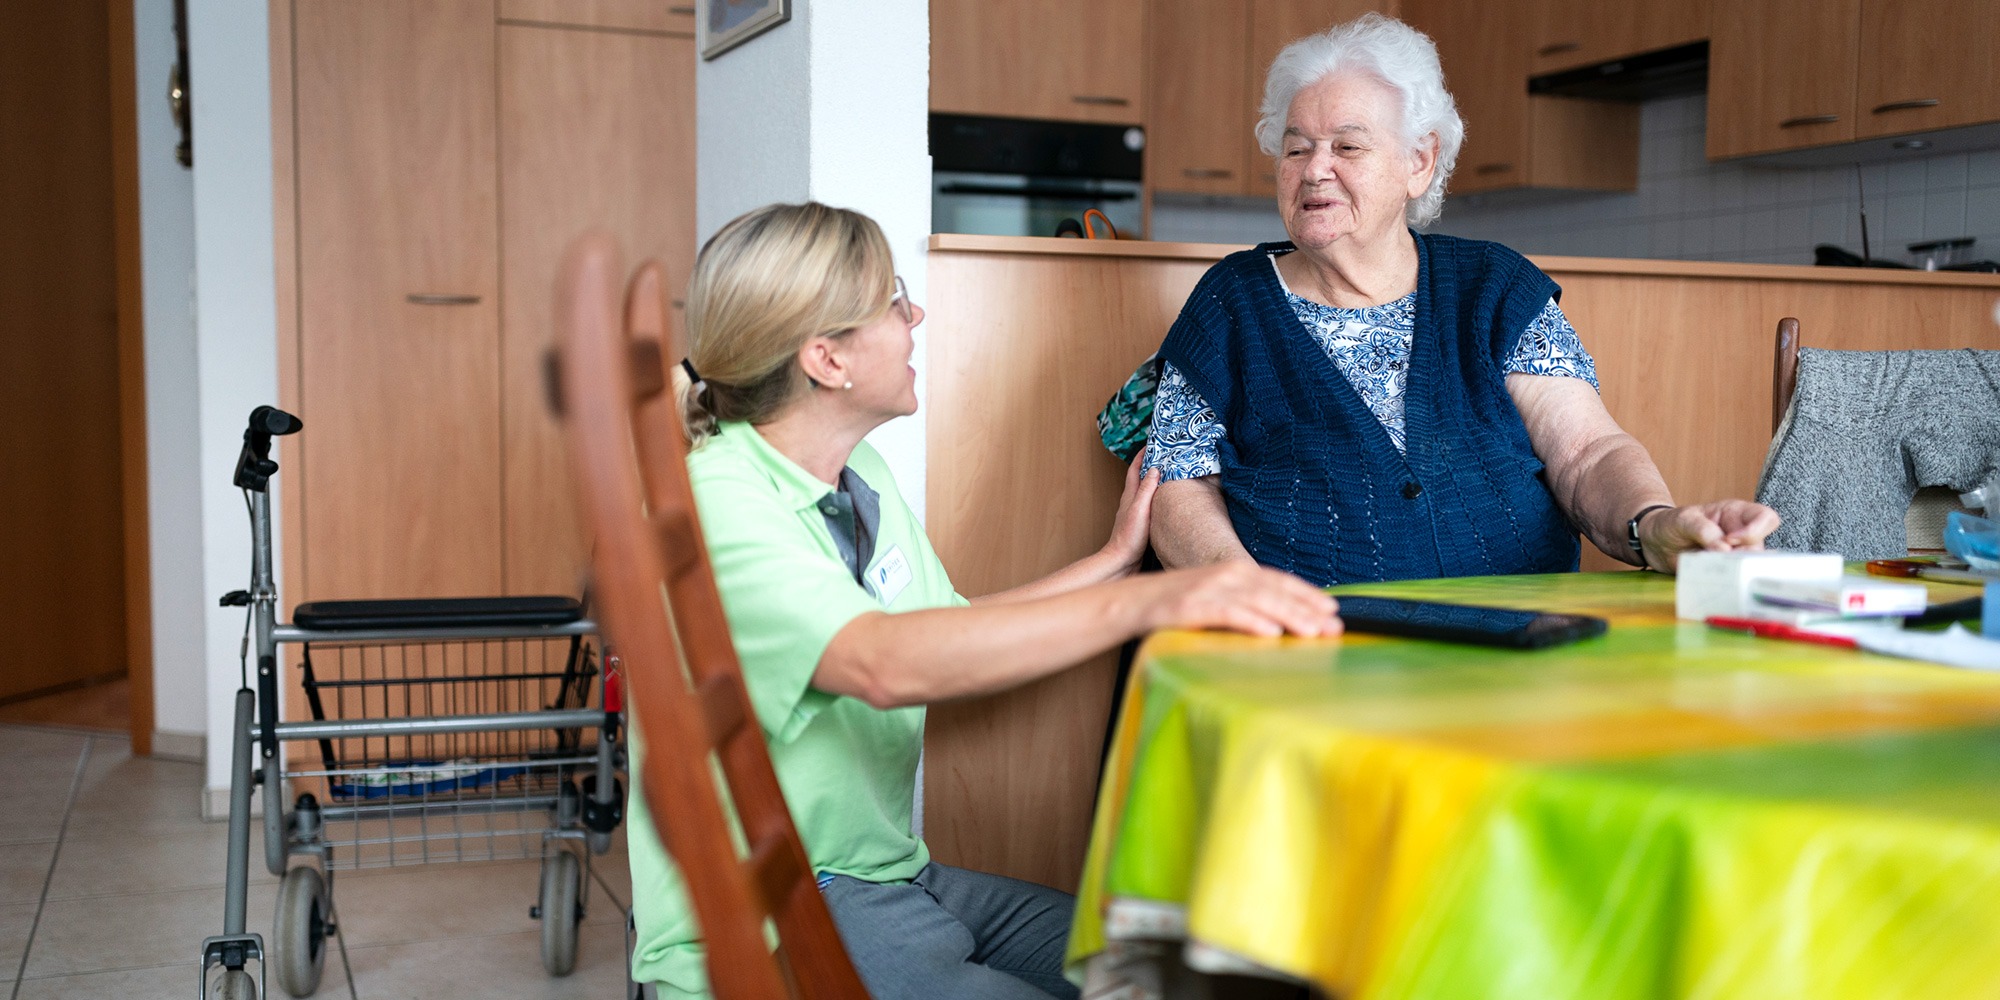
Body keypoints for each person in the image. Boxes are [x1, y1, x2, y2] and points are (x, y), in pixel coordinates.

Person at [625, 202, 1341, 1000]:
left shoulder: (861, 482)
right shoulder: (717, 505)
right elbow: (882, 663)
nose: (917, 313)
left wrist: (1112, 563)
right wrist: (1163, 600)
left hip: (891, 878)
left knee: (1185, 975)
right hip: (776, 911)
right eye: (894, 301)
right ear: (827, 359)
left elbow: (951, 632)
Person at [1144, 13, 1780, 583]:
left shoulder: (1495, 287)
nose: (1314, 169)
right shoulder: (1231, 303)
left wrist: (1655, 525)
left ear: (1419, 161)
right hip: (1313, 652)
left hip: (1520, 644)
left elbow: (1588, 454)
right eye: (1296, 147)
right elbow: (1177, 490)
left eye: (1347, 146)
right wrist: (1245, 595)